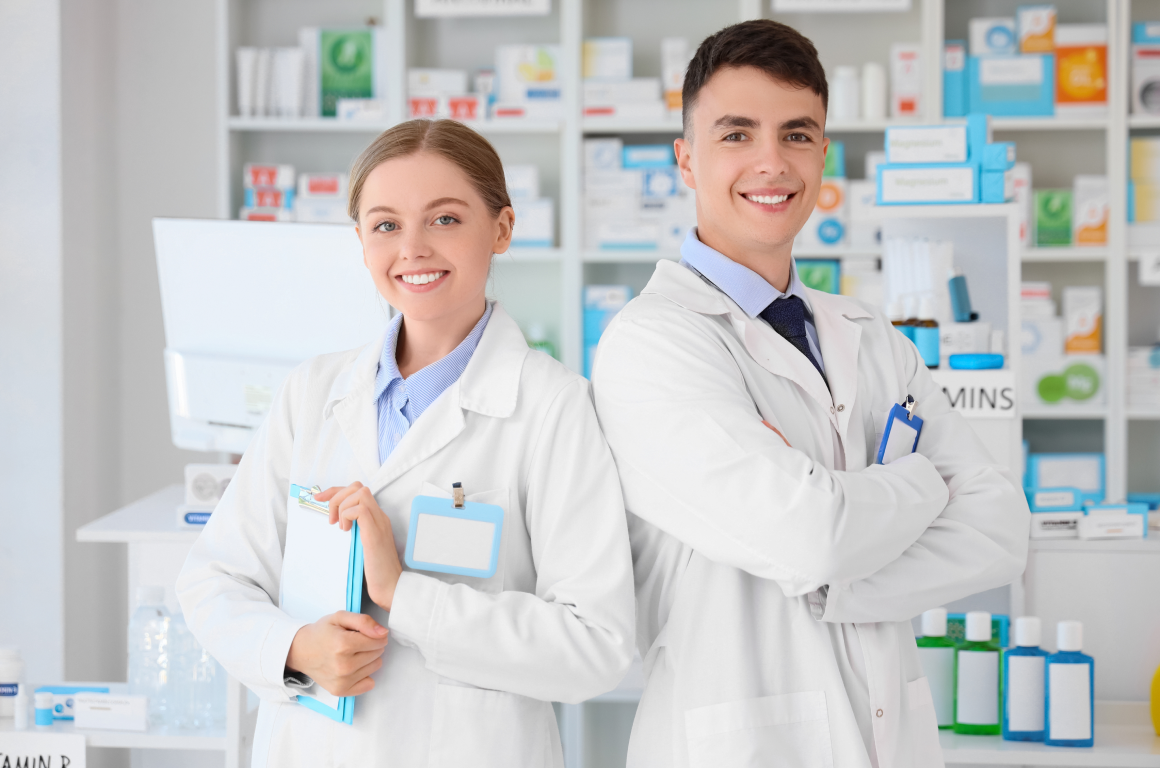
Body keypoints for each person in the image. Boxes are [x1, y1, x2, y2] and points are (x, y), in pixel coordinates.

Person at [590, 20, 1029, 768]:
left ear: (822, 156)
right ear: (686, 161)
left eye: (797, 135)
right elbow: (809, 536)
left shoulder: (871, 333)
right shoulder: (652, 342)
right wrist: (923, 482)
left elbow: (1000, 531)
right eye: (737, 134)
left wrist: (836, 577)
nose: (772, 162)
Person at [177, 119, 635, 767]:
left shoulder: (553, 407)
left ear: (502, 229)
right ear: (361, 241)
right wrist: (295, 651)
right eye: (386, 225)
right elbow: (213, 579)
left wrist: (405, 594)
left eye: (445, 219)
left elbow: (596, 648)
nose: (412, 248)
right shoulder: (313, 391)